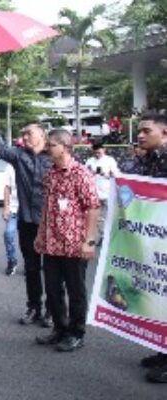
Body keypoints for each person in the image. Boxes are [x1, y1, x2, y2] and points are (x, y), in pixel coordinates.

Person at [33, 129, 100, 352]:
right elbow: (47, 208)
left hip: (74, 244)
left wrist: (89, 241)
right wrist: (40, 235)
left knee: (76, 290)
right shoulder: (50, 174)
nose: (47, 149)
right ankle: (59, 329)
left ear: (64, 146)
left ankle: (76, 332)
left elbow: (92, 207)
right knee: (52, 289)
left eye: (51, 145)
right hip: (52, 243)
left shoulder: (81, 173)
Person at [0, 117, 53, 327]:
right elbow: (2, 149)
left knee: (52, 270)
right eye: (22, 134)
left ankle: (53, 309)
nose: (24, 138)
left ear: (42, 136)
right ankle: (34, 307)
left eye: (28, 134)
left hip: (51, 225)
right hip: (27, 222)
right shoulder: (19, 156)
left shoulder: (53, 157)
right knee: (31, 268)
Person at [127, 112, 167, 383]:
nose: (140, 135)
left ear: (164, 133)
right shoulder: (149, 159)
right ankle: (162, 352)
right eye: (139, 130)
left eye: (146, 130)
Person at [84, 142, 119, 244]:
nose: (97, 155)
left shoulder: (110, 160)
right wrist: (91, 172)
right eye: (95, 153)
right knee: (96, 217)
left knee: (109, 216)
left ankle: (109, 236)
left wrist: (105, 173)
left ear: (104, 150)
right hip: (95, 192)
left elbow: (116, 175)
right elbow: (84, 174)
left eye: (99, 152)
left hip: (107, 192)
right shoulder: (90, 161)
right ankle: (102, 235)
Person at [2, 163, 19, 275]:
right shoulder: (10, 167)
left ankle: (31, 263)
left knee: (30, 238)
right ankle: (12, 260)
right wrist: (6, 207)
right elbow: (7, 188)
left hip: (30, 209)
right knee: (8, 233)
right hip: (13, 208)